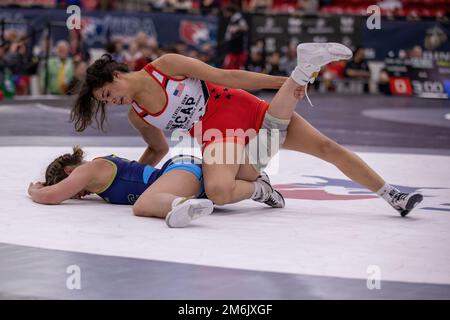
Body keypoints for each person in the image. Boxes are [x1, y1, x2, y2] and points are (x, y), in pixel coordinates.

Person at [71, 42, 423, 217]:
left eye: (107, 94)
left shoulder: (166, 67)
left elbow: (227, 77)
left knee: (326, 147)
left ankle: (392, 194)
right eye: (104, 101)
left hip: (235, 104)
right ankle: (259, 189)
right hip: (215, 134)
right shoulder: (138, 116)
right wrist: (129, 180)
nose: (111, 101)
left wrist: (278, 81)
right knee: (220, 192)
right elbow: (156, 152)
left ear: (116, 76)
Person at [28, 147, 213, 228]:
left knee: (141, 206)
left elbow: (50, 197)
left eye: (69, 189)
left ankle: (180, 204)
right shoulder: (97, 180)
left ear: (68, 172)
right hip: (187, 178)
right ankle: (186, 202)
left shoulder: (89, 169)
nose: (75, 196)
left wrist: (34, 190)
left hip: (180, 170)